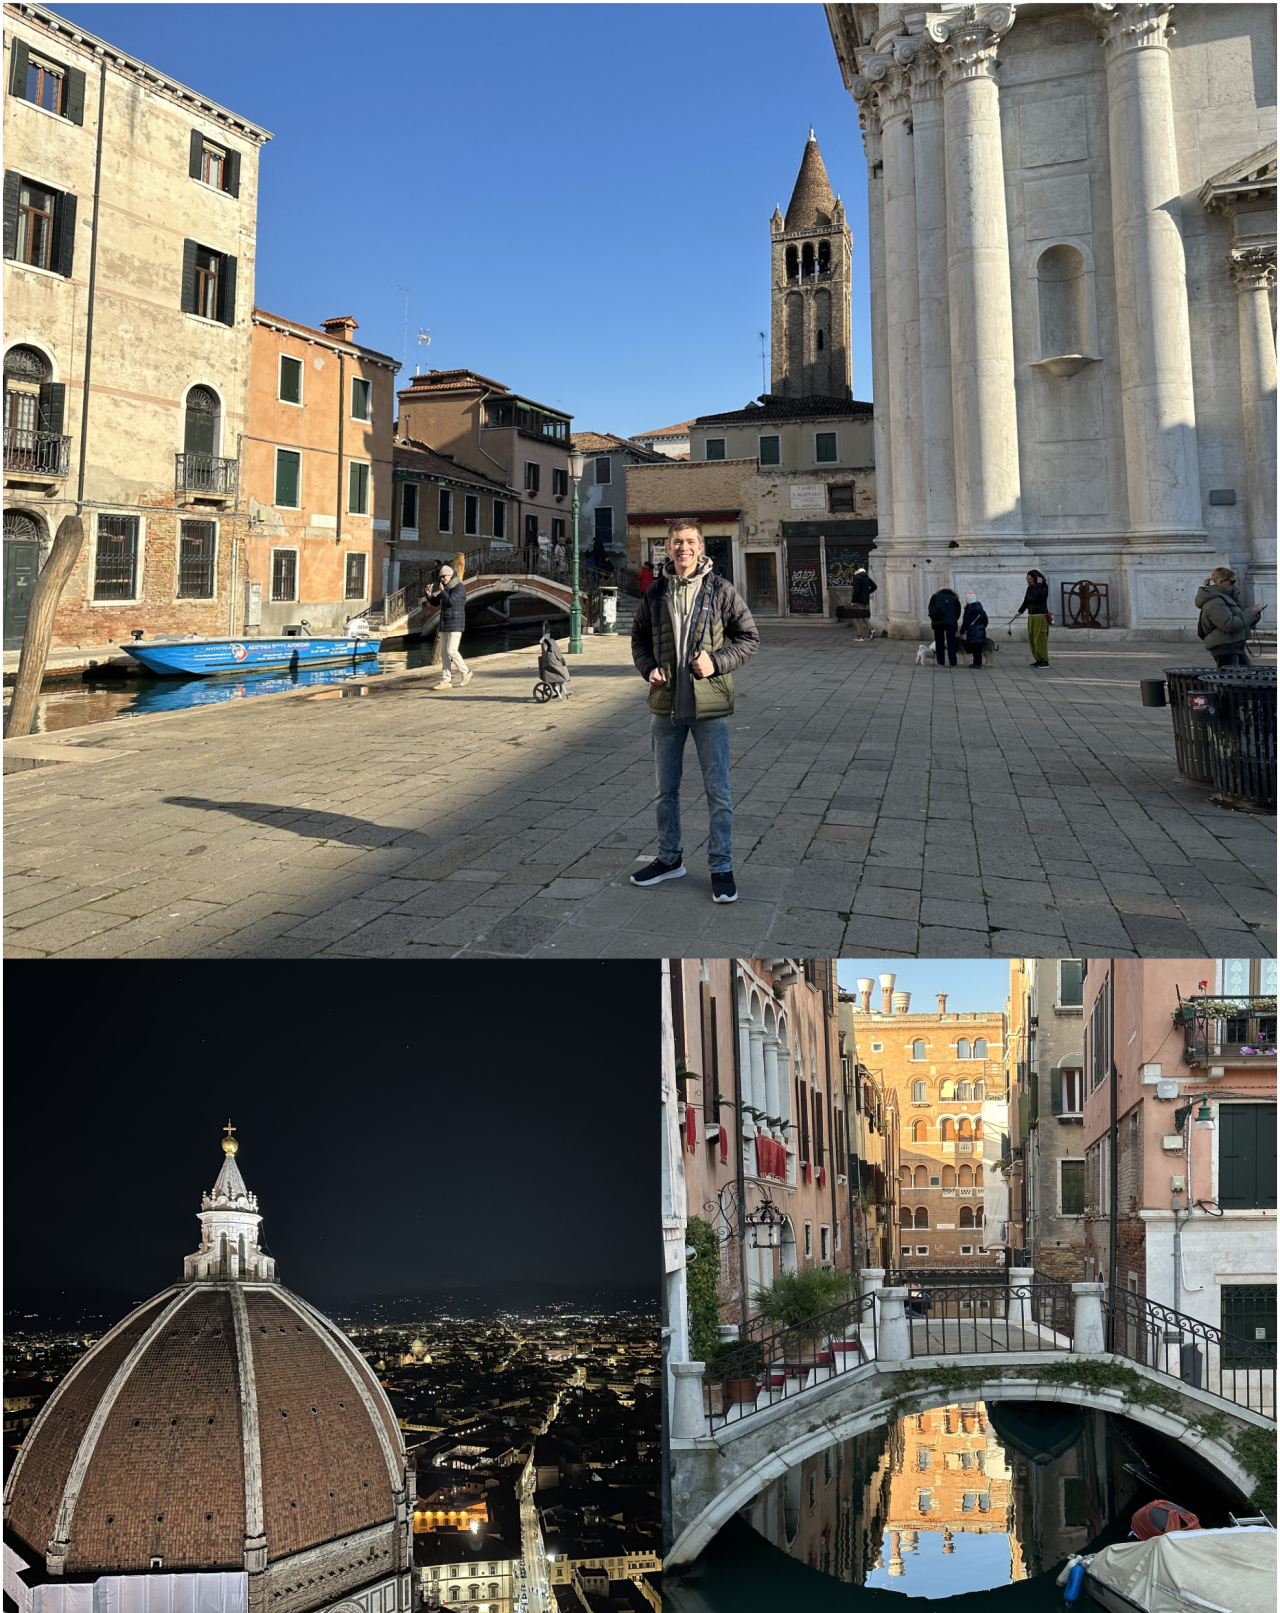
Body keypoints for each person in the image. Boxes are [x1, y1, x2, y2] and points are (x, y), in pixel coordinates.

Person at [630, 518, 759, 904]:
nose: (682, 548)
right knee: (664, 790)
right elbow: (638, 639)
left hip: (710, 708)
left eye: (689, 541)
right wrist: (647, 667)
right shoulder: (655, 593)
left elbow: (749, 638)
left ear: (701, 548)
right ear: (667, 549)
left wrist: (716, 663)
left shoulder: (721, 590)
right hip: (665, 707)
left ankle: (721, 867)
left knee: (718, 791)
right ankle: (670, 859)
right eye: (676, 542)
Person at [1196, 566, 1263, 667]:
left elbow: (1239, 620)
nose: (1234, 585)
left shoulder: (1228, 597)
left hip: (1234, 644)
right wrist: (1250, 613)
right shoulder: (1215, 602)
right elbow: (1230, 624)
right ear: (1222, 582)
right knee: (1231, 678)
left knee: (1247, 675)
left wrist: (1254, 615)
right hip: (1224, 646)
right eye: (1232, 582)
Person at [425, 563, 471, 689]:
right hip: (445, 624)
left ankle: (466, 672)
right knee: (444, 654)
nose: (442, 579)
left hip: (456, 624)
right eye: (441, 577)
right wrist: (429, 595)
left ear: (450, 575)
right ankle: (446, 680)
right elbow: (436, 602)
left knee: (452, 651)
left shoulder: (459, 587)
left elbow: (450, 601)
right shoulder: (446, 588)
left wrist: (442, 591)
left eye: (443, 577)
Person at [1016, 569, 1051, 666]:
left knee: (1040, 638)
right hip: (1031, 615)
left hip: (1040, 615)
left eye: (1031, 578)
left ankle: (1044, 660)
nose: (1030, 581)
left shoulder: (1044, 587)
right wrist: (1020, 612)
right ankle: (1038, 659)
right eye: (1028, 579)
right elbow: (1026, 601)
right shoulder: (1029, 588)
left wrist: (1039, 585)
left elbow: (1040, 597)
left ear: (1037, 577)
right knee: (1032, 638)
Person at [928, 584, 962, 667]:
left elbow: (930, 608)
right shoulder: (954, 598)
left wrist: (934, 619)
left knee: (939, 642)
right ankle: (953, 662)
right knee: (951, 642)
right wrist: (954, 619)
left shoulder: (935, 596)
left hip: (938, 622)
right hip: (950, 622)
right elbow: (958, 611)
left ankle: (940, 662)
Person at [960, 591, 989, 668]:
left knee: (974, 647)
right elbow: (986, 621)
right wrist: (982, 627)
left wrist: (962, 631)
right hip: (981, 631)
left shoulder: (968, 610)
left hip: (972, 631)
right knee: (978, 647)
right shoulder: (981, 610)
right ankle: (978, 662)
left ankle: (976, 663)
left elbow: (966, 622)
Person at [850, 565, 877, 642]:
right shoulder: (866, 577)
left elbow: (856, 591)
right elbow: (874, 586)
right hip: (865, 600)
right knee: (863, 616)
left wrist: (853, 601)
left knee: (858, 619)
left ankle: (860, 636)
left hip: (858, 600)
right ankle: (871, 629)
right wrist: (867, 593)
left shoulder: (856, 578)